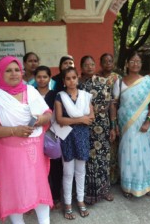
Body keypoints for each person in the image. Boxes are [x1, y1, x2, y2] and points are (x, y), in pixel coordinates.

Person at [0, 56, 53, 224]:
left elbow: (48, 114)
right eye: (8, 70)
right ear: (0, 73)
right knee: (14, 191)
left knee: (39, 187)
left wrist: (40, 120)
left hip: (34, 152)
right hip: (9, 154)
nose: (13, 74)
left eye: (17, 70)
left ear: (22, 72)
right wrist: (14, 131)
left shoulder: (31, 91)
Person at [113, 51, 150, 198]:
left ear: (141, 64)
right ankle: (128, 186)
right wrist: (114, 123)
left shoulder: (148, 83)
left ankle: (147, 185)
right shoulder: (120, 82)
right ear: (127, 64)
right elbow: (114, 104)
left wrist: (148, 121)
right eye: (132, 61)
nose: (135, 64)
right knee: (127, 153)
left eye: (138, 62)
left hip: (141, 121)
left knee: (144, 152)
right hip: (125, 122)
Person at [54, 67, 94, 220]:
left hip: (82, 137)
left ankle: (80, 200)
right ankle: (68, 204)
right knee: (68, 172)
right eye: (68, 78)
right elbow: (60, 120)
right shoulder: (60, 97)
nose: (71, 81)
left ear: (77, 78)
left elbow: (91, 117)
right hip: (68, 138)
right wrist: (80, 119)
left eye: (74, 77)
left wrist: (81, 119)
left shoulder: (85, 96)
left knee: (81, 171)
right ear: (63, 81)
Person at [78, 55, 116, 205]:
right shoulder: (78, 84)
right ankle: (89, 192)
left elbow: (111, 105)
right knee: (87, 160)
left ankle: (105, 190)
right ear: (81, 67)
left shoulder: (104, 82)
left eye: (92, 64)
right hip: (84, 126)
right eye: (86, 64)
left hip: (103, 126)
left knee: (103, 159)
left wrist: (113, 126)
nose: (90, 67)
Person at [35, 65, 62, 210]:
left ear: (49, 78)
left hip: (52, 134)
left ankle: (56, 196)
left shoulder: (55, 94)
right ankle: (40, 197)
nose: (42, 79)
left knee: (55, 167)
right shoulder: (30, 94)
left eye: (45, 76)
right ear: (35, 78)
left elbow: (58, 115)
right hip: (35, 135)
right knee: (38, 167)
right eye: (39, 77)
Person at [97, 53, 121, 185]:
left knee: (114, 145)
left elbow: (118, 100)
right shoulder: (96, 78)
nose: (108, 64)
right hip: (99, 117)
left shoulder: (118, 78)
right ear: (100, 63)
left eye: (110, 61)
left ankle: (114, 177)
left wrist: (115, 121)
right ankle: (104, 176)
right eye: (105, 61)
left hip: (115, 115)